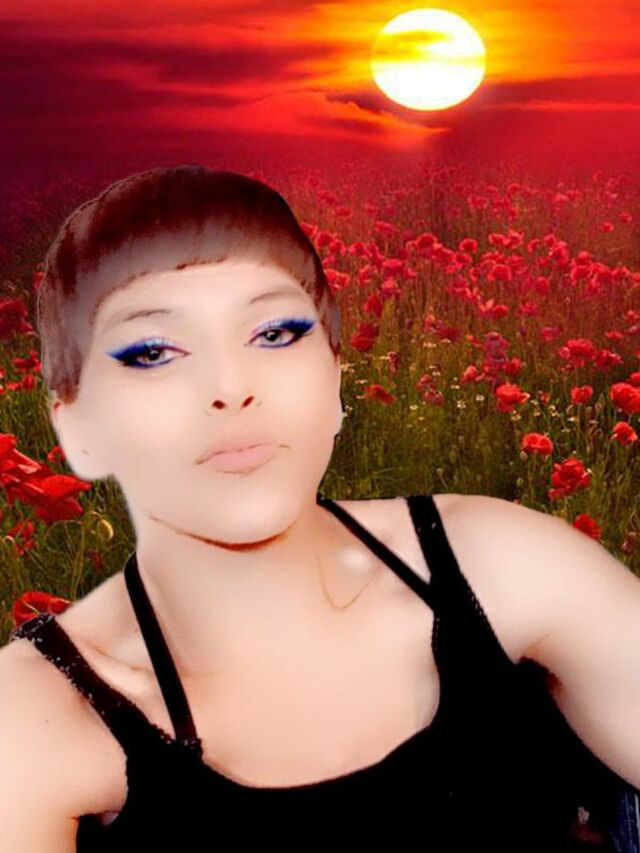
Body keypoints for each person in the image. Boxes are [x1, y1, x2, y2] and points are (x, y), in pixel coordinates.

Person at [0, 164, 637, 851]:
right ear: (76, 427)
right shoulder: (35, 720)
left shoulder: (503, 561)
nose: (231, 386)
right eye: (153, 351)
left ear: (334, 378)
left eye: (274, 333)